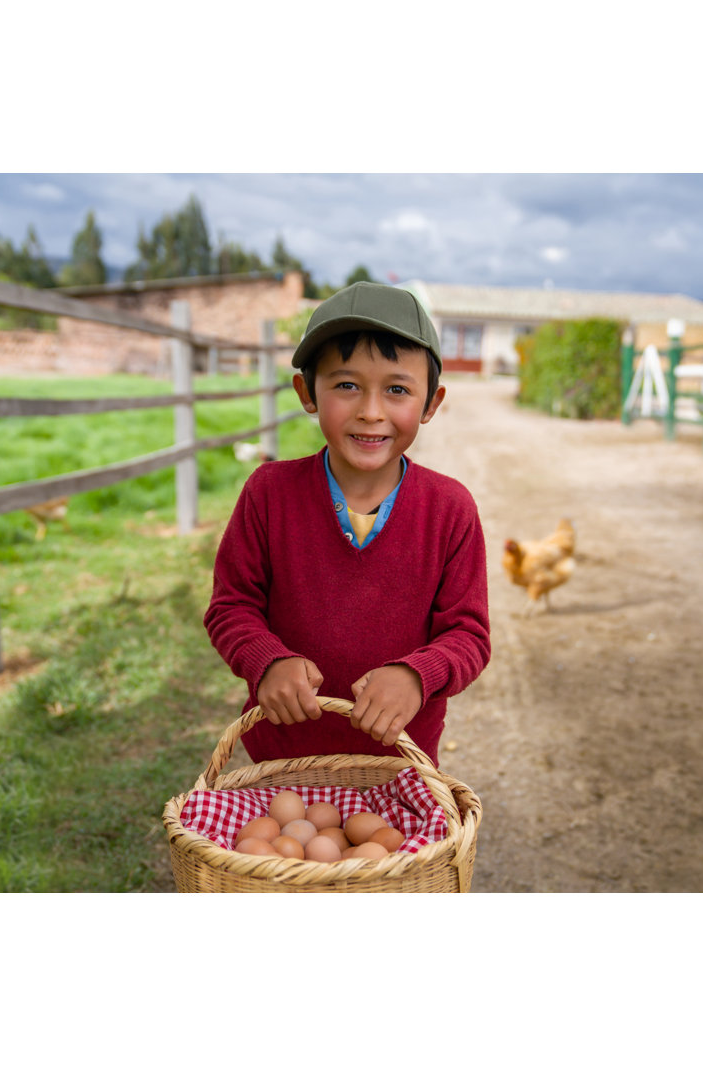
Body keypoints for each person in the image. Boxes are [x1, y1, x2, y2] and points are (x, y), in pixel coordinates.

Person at [203, 282, 491, 766]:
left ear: (430, 404)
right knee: (285, 845)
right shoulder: (269, 494)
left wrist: (418, 675)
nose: (371, 411)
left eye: (397, 389)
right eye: (346, 385)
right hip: (281, 762)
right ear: (307, 392)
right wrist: (267, 661)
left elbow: (469, 636)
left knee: (381, 847)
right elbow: (231, 606)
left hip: (398, 764)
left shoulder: (450, 509)